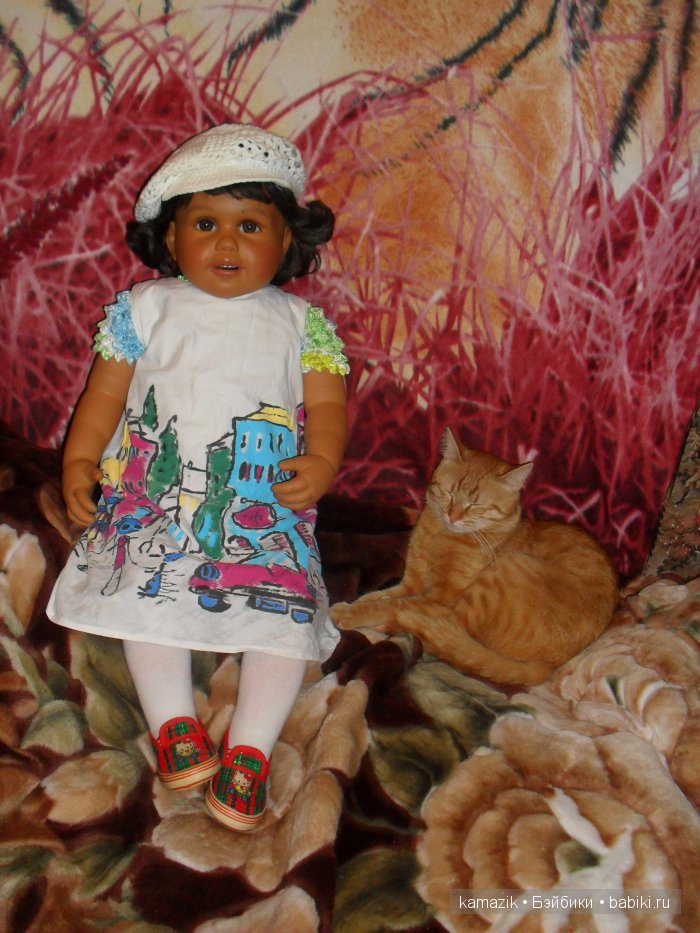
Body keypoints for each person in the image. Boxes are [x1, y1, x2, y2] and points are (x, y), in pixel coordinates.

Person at [47, 123, 349, 832]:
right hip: (154, 495)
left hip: (262, 503)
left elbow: (330, 404)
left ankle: (251, 750)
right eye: (206, 224)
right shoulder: (146, 308)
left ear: (286, 240)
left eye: (251, 226)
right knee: (142, 599)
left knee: (283, 624)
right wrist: (79, 461)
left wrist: (322, 460)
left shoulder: (301, 323)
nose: (227, 243)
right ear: (171, 236)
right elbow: (104, 395)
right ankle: (173, 724)